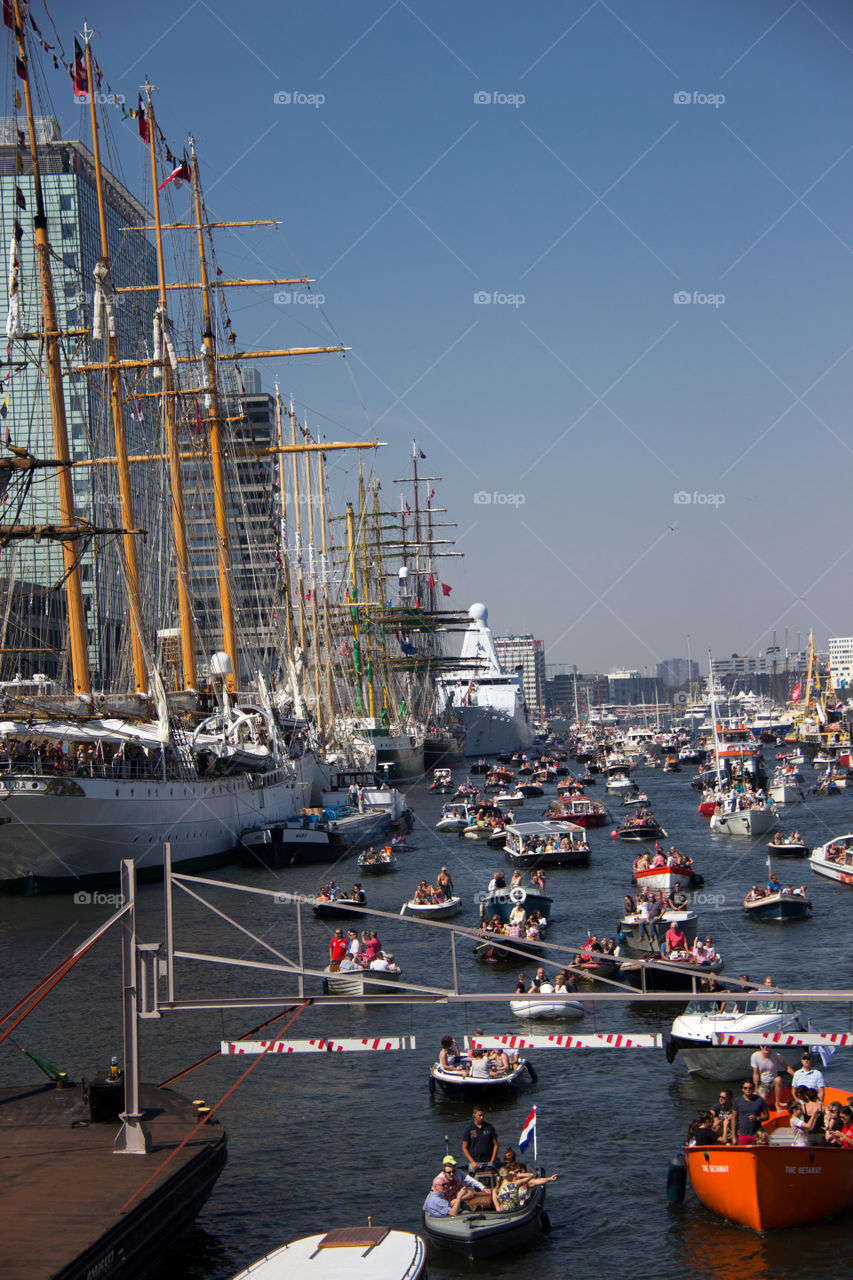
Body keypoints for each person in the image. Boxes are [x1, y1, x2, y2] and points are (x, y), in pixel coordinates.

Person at [492, 1165, 557, 1213]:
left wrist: (549, 1179)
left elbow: (498, 1210)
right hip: (514, 1212)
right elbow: (531, 1175)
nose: (518, 1173)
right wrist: (517, 1175)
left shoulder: (496, 1190)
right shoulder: (515, 1184)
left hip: (513, 1212)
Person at [733, 1081, 769, 1145]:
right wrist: (734, 1136)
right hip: (743, 1135)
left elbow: (766, 1116)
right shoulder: (737, 1101)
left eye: (750, 1088)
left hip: (757, 1135)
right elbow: (734, 1118)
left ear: (753, 1089)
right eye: (745, 1088)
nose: (748, 1089)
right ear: (742, 1089)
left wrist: (757, 1118)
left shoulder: (759, 1100)